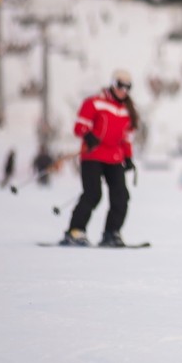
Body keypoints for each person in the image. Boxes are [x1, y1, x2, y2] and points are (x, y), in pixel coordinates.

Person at [62, 69, 139, 247]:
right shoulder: (95, 103)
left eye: (128, 87)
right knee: (93, 194)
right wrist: (88, 136)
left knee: (121, 196)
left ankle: (112, 233)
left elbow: (127, 137)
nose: (124, 90)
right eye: (120, 85)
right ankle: (75, 231)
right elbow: (80, 126)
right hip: (93, 156)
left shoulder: (128, 110)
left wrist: (128, 158)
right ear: (113, 84)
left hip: (114, 157)